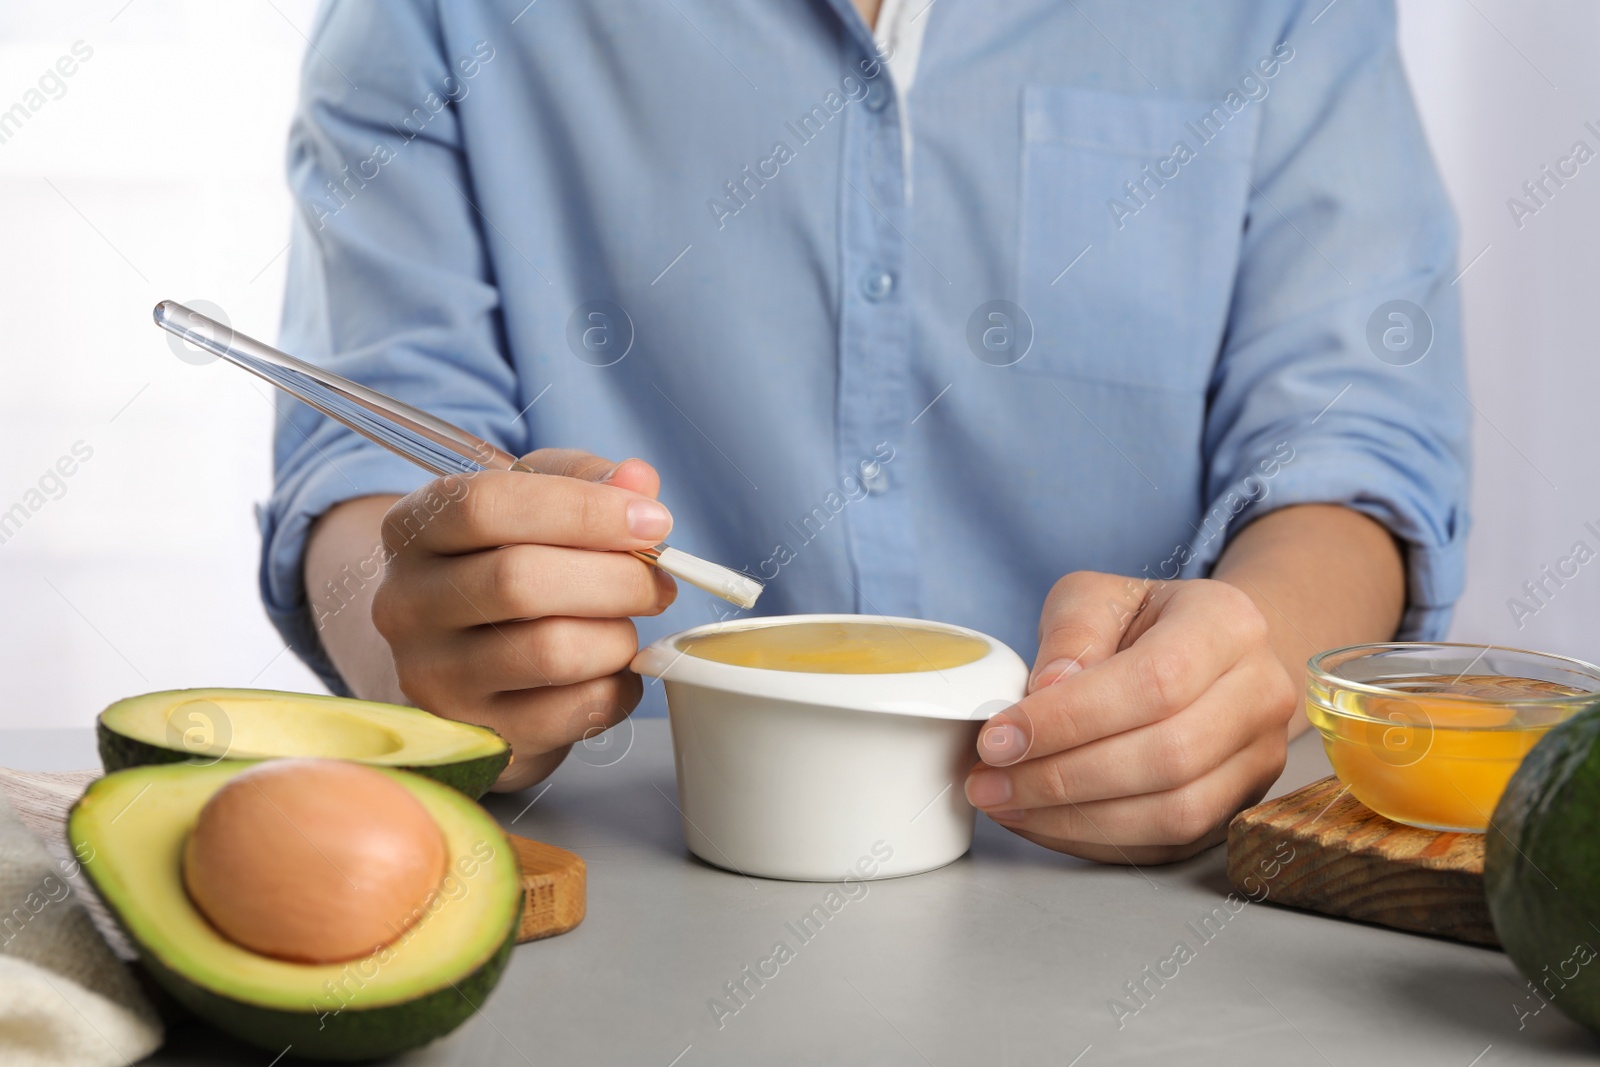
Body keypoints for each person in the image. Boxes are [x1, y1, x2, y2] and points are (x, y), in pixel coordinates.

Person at [263, 0, 1468, 864]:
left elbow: (1354, 448)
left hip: (1142, 902)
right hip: (614, 876)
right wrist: (419, 648)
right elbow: (364, 465)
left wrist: (1242, 660)